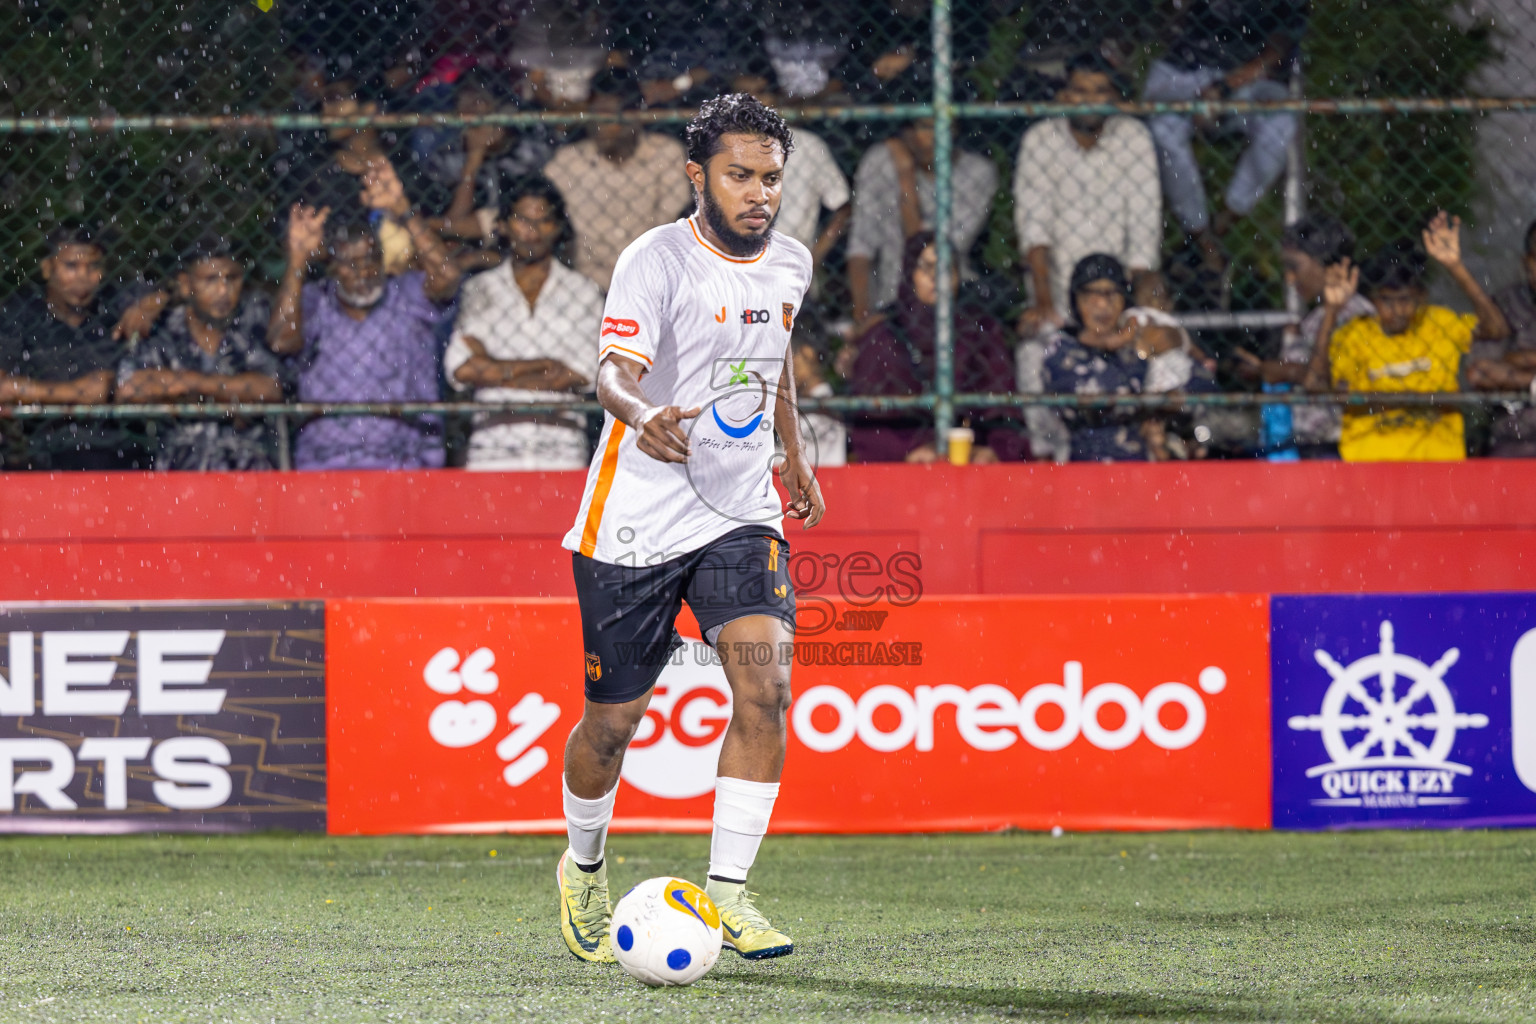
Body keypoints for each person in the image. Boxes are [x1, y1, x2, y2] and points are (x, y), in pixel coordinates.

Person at [556, 93, 821, 966]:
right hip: (633, 517)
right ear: (696, 174)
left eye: (771, 178)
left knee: (767, 686)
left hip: (740, 510)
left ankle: (731, 895)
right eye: (740, 176)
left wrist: (794, 453)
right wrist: (643, 416)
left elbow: (770, 361)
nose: (758, 194)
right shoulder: (655, 258)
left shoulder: (792, 263)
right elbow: (613, 370)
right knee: (613, 723)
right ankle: (585, 865)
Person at [268, 161, 463, 469]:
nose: (363, 272)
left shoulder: (406, 294)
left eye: (371, 259)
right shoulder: (315, 302)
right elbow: (281, 340)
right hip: (327, 464)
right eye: (349, 263)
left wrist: (404, 210)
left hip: (405, 462)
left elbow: (448, 276)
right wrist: (297, 261)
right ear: (332, 268)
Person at [1304, 212, 1509, 462]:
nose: (1397, 310)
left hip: (1437, 457)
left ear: (1420, 296)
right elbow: (1314, 386)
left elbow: (1497, 330)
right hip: (1371, 460)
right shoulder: (1354, 334)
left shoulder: (1437, 321)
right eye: (1386, 301)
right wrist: (1331, 310)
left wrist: (1456, 267)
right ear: (1371, 300)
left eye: (1405, 300)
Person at [444, 176, 603, 470]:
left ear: (557, 228)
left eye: (543, 221)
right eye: (522, 220)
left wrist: (493, 368)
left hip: (561, 450)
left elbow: (585, 374)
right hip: (492, 450)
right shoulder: (480, 289)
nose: (532, 232)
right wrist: (542, 365)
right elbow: (461, 369)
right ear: (503, 225)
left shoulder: (583, 292)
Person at [1143, 0, 1307, 274]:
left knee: (1280, 124)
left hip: (1249, 81)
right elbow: (1163, 22)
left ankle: (1218, 230)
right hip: (1183, 72)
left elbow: (1276, 50)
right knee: (1162, 129)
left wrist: (1222, 88)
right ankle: (1201, 237)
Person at [1013, 51, 1162, 338]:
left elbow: (1145, 230)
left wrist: (1131, 307)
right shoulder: (1040, 139)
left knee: (1156, 352)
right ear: (1063, 96)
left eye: (1100, 92)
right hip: (1056, 293)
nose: (1090, 101)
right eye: (1080, 91)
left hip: (1117, 295)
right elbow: (1034, 232)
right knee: (1036, 353)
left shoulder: (1134, 137)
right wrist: (1045, 305)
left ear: (1114, 97)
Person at [847, 232, 1029, 464]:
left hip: (971, 462)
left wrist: (993, 450)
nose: (937, 277)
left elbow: (1004, 411)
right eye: (926, 267)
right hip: (904, 468)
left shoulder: (980, 331)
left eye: (947, 268)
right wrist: (909, 451)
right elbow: (866, 427)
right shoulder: (882, 337)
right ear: (909, 275)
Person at [0, 222, 165, 470]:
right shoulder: (20, 314)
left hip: (121, 452)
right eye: (71, 266)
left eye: (93, 267)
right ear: (47, 269)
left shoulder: (113, 304)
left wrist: (152, 305)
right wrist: (76, 393)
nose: (83, 277)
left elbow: (174, 289)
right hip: (44, 452)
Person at [117, 236, 285, 471]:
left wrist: (181, 388)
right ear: (186, 285)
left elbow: (270, 389)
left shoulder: (252, 322)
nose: (223, 290)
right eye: (210, 279)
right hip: (177, 476)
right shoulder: (162, 328)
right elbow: (130, 388)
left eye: (232, 278)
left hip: (248, 474)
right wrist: (229, 395)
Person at [845, 81, 998, 327]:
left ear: (956, 129)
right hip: (891, 301)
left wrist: (906, 179)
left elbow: (927, 250)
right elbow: (861, 247)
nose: (934, 137)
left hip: (951, 299)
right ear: (905, 132)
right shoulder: (881, 161)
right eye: (925, 126)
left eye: (943, 126)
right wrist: (862, 317)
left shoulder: (977, 173)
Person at [1232, 214, 1373, 458]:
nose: (1289, 277)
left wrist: (1287, 372)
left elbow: (1334, 380)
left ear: (1328, 265)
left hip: (1340, 446)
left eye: (1294, 266)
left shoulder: (1356, 315)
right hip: (1312, 444)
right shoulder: (1316, 317)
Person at [541, 69, 693, 289]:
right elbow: (538, 205)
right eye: (598, 115)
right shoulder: (569, 161)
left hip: (652, 278)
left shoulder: (665, 153)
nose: (603, 126)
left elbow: (671, 224)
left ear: (633, 116)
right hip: (586, 284)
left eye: (611, 115)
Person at [1040, 253, 1156, 462]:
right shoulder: (1059, 348)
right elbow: (1100, 395)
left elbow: (1195, 383)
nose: (1102, 304)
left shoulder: (1138, 342)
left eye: (1112, 293)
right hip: (1083, 469)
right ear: (1075, 301)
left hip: (1140, 469)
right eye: (1091, 295)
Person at [1466, 218, 1536, 456]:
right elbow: (1483, 374)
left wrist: (1519, 368)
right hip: (1515, 440)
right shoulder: (1506, 304)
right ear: (1527, 262)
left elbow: (1501, 372)